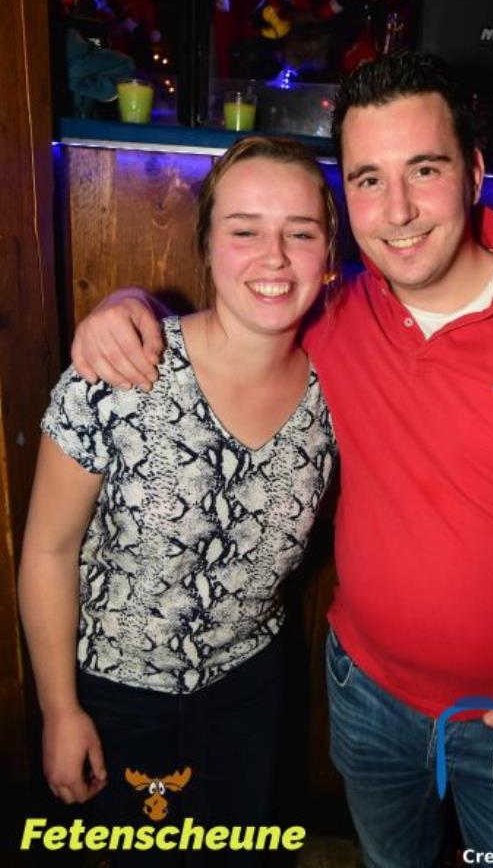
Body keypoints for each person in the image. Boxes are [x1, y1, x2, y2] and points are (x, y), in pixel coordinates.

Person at [69, 53, 493, 865]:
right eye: (367, 179)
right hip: (365, 699)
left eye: (423, 169)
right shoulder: (330, 312)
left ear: (473, 173)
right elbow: (240, 307)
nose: (396, 210)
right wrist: (126, 305)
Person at [19, 136, 338, 862]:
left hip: (249, 691)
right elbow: (48, 549)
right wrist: (59, 710)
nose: (274, 257)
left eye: (300, 233)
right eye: (244, 230)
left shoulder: (339, 391)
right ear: (207, 245)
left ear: (328, 255)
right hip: (112, 695)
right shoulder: (119, 372)